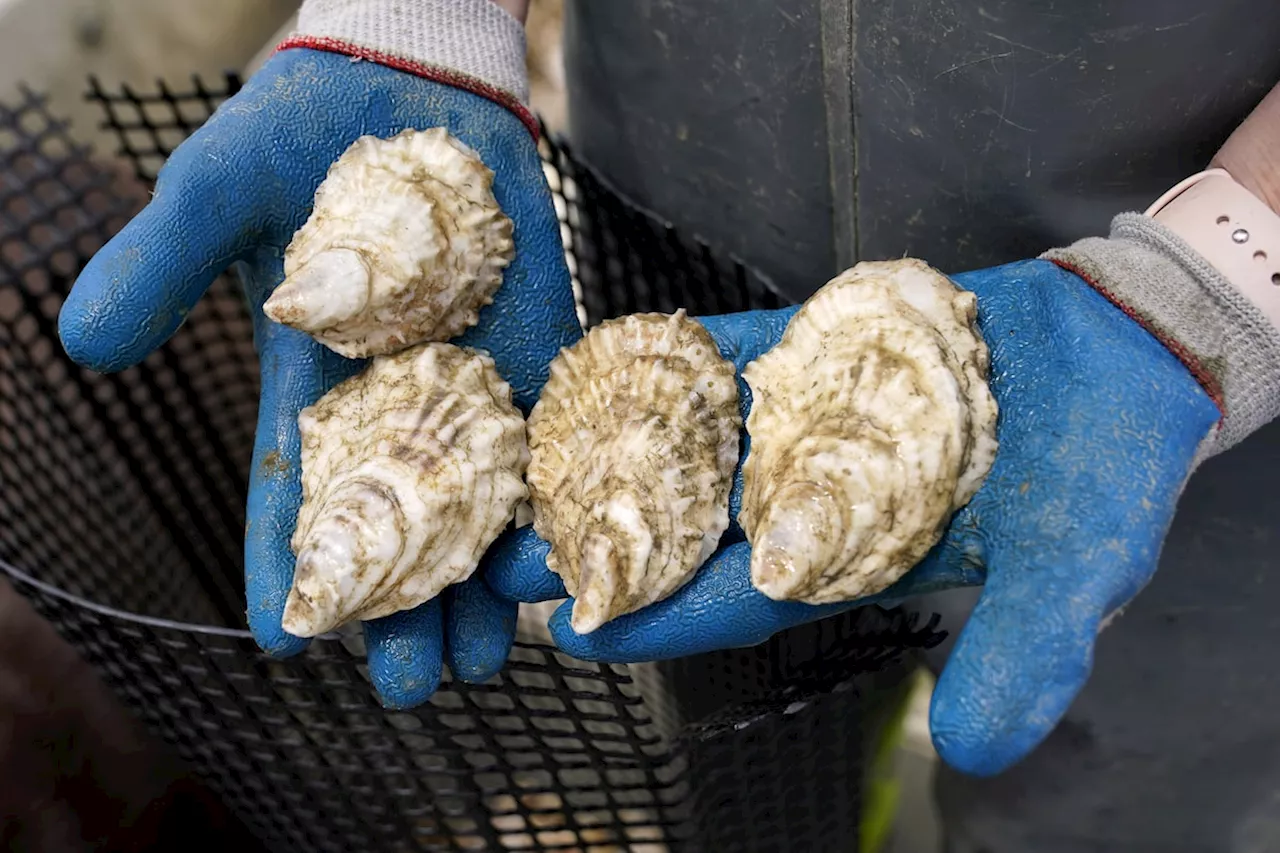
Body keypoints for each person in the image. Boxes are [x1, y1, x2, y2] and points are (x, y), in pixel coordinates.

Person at [54, 0, 1280, 849]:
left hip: (1189, 353)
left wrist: (1221, 278)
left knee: (1127, 793)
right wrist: (418, 15)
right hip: (683, 179)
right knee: (739, 728)